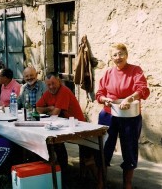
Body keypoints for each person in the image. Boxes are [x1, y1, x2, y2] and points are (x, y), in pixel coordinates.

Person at [95, 43, 150, 189]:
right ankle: (100, 183)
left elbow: (142, 89)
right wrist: (104, 99)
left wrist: (130, 98)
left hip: (130, 115)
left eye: (120, 54)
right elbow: (99, 94)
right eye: (114, 55)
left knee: (129, 148)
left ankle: (127, 184)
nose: (118, 57)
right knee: (104, 147)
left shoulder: (135, 70)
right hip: (109, 114)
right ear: (111, 57)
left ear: (126, 55)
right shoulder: (108, 73)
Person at [36, 72, 85, 188]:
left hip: (77, 126)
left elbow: (54, 114)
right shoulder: (48, 92)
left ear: (59, 81)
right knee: (50, 141)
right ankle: (55, 171)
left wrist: (48, 111)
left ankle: (63, 173)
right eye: (49, 85)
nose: (51, 87)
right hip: (61, 125)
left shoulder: (64, 91)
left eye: (53, 83)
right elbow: (38, 108)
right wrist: (49, 108)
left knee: (55, 142)